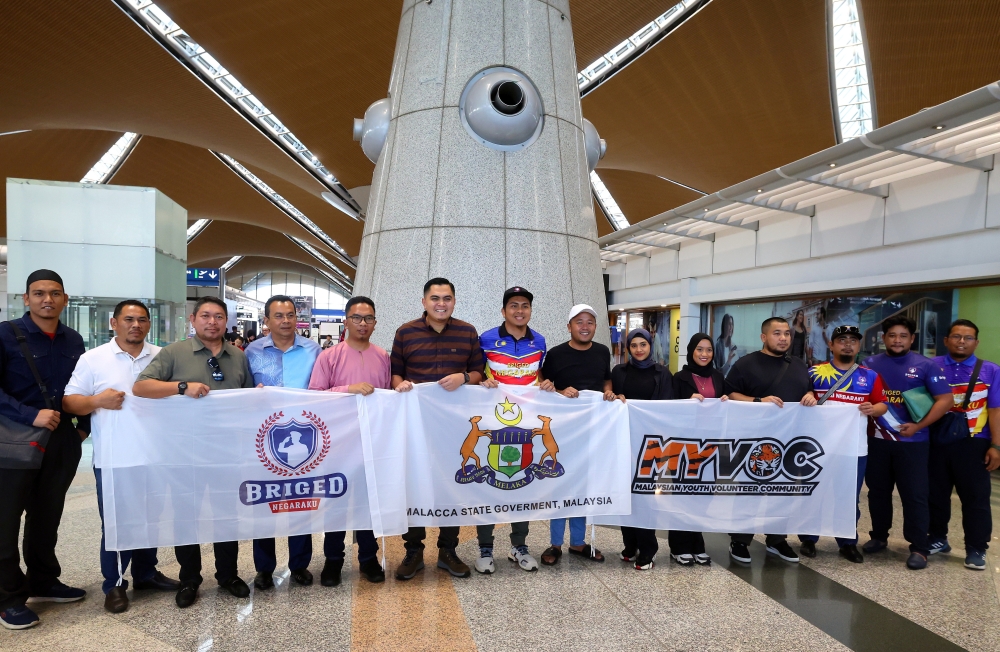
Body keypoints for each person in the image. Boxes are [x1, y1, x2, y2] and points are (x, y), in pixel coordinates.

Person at [133, 296, 255, 608]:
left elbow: (249, 400)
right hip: (184, 453)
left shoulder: (238, 357)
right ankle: (190, 578)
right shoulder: (174, 353)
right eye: (205, 316)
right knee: (186, 517)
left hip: (227, 454)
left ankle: (228, 575)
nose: (212, 322)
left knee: (227, 516)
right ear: (193, 319)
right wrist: (181, 387)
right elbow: (141, 387)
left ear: (226, 321)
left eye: (218, 316)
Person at [63, 300, 180, 614]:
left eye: (142, 320)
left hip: (156, 456)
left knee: (151, 518)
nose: (136, 325)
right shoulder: (94, 359)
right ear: (114, 323)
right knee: (116, 523)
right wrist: (97, 400)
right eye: (128, 319)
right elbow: (70, 402)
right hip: (116, 458)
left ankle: (145, 573)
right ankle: (114, 585)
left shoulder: (162, 356)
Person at [0, 270, 90, 630]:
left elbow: (83, 386)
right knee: (6, 519)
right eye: (39, 293)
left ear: (65, 299)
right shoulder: (6, 334)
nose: (47, 299)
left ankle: (43, 580)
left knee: (46, 515)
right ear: (26, 299)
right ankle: (8, 597)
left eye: (55, 293)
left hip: (61, 441)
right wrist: (30, 414)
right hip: (14, 439)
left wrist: (82, 428)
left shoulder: (73, 339)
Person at [390, 278, 484, 580]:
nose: (440, 303)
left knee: (452, 484)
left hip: (455, 425)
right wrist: (399, 384)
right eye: (434, 298)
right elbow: (395, 373)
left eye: (446, 298)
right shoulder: (405, 332)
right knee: (413, 484)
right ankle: (413, 551)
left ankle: (448, 550)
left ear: (454, 301)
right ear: (424, 302)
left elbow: (479, 372)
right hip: (415, 424)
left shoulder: (468, 331)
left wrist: (463, 378)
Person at [308, 295, 389, 585]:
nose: (363, 323)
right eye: (357, 318)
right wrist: (348, 389)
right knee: (337, 503)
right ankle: (333, 561)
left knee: (369, 504)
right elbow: (315, 395)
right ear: (346, 320)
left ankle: (369, 559)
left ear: (375, 323)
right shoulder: (329, 356)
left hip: (371, 442)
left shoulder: (382, 356)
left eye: (368, 318)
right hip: (338, 444)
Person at [243, 295, 322, 591]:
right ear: (266, 320)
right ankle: (264, 569)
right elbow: (243, 390)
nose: (286, 321)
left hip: (304, 437)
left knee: (301, 502)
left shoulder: (313, 351)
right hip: (263, 438)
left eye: (290, 315)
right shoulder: (251, 352)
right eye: (278, 315)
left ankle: (299, 565)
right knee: (264, 503)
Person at [862, 315, 953, 570]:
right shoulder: (869, 364)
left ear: (912, 339)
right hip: (877, 440)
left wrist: (919, 426)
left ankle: (919, 547)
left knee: (914, 495)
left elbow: (946, 400)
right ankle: (879, 536)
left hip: (914, 441)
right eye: (892, 335)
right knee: (878, 492)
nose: (897, 340)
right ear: (883, 338)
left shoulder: (926, 365)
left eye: (903, 335)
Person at [725, 316, 817, 564]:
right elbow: (730, 392)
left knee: (783, 491)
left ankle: (777, 539)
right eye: (777, 333)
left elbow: (807, 391)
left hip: (789, 441)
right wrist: (757, 401)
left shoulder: (798, 364)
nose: (784, 338)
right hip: (754, 441)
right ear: (764, 337)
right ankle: (740, 540)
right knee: (749, 491)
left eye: (787, 333)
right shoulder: (746, 364)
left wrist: (810, 395)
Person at [537, 304, 619, 566]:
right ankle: (555, 543)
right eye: (579, 322)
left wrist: (609, 392)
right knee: (561, 482)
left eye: (590, 322)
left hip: (593, 429)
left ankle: (579, 542)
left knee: (585, 484)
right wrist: (559, 390)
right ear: (569, 326)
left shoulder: (602, 352)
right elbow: (544, 384)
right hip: (564, 430)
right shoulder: (556, 354)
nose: (585, 327)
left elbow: (606, 380)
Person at [797, 325, 887, 564]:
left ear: (858, 346)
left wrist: (873, 409)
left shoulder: (870, 376)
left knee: (848, 498)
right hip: (818, 449)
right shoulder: (815, 372)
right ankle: (808, 539)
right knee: (813, 493)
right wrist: (808, 397)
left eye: (853, 341)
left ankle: (847, 542)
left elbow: (882, 405)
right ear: (831, 345)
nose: (848, 344)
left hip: (853, 449)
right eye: (842, 340)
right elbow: (803, 398)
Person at [477, 287, 546, 574]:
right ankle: (485, 548)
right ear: (504, 310)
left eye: (525, 305)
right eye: (514, 305)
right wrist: (481, 380)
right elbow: (475, 372)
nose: (520, 310)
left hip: (525, 425)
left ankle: (519, 546)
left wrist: (548, 384)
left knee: (523, 484)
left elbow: (539, 376)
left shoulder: (539, 341)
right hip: (492, 424)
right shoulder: (486, 339)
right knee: (487, 485)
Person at [929, 319, 1000, 571]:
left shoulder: (991, 370)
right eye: (956, 336)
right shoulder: (931, 366)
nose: (961, 341)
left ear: (976, 342)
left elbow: (995, 410)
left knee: (976, 498)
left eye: (967, 337)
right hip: (935, 440)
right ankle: (937, 538)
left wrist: (996, 446)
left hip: (974, 442)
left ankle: (976, 547)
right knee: (935, 494)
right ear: (946, 340)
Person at [611, 328, 672, 570]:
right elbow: (612, 398)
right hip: (624, 440)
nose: (639, 349)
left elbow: (666, 406)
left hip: (651, 444)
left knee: (646, 494)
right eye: (634, 345)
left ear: (649, 346)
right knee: (626, 493)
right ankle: (630, 544)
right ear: (628, 349)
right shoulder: (619, 371)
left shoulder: (662, 372)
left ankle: (648, 548)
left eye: (643, 345)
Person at [671, 333, 728, 566]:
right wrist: (687, 401)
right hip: (685, 446)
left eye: (708, 350)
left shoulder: (718, 376)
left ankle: (697, 544)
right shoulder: (679, 378)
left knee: (704, 495)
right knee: (683, 495)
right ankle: (678, 546)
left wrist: (725, 400)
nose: (704, 354)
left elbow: (729, 401)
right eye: (699, 350)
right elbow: (670, 408)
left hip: (711, 445)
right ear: (691, 351)